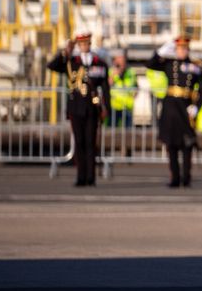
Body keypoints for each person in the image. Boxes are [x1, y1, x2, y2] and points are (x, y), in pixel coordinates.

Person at [47, 32, 109, 187]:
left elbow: (105, 88)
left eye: (86, 44)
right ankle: (81, 176)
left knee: (90, 142)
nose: (84, 47)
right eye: (81, 44)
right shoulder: (71, 62)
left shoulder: (99, 63)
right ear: (78, 46)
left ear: (89, 44)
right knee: (79, 142)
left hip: (92, 108)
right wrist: (65, 51)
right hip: (76, 108)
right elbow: (52, 66)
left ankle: (91, 177)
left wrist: (106, 107)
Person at [147, 34, 202, 188]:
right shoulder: (169, 63)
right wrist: (161, 51)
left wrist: (196, 107)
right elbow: (150, 64)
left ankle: (186, 177)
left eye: (184, 48)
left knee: (187, 143)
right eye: (179, 48)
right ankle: (175, 177)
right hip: (170, 107)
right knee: (171, 144)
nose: (182, 51)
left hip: (185, 106)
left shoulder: (195, 65)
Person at [107, 50, 136, 130]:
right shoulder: (110, 71)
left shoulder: (130, 72)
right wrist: (114, 75)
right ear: (115, 61)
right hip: (114, 106)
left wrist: (134, 95)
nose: (122, 63)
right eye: (120, 60)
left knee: (128, 132)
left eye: (123, 60)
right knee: (112, 130)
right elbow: (107, 84)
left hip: (127, 106)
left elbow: (136, 86)